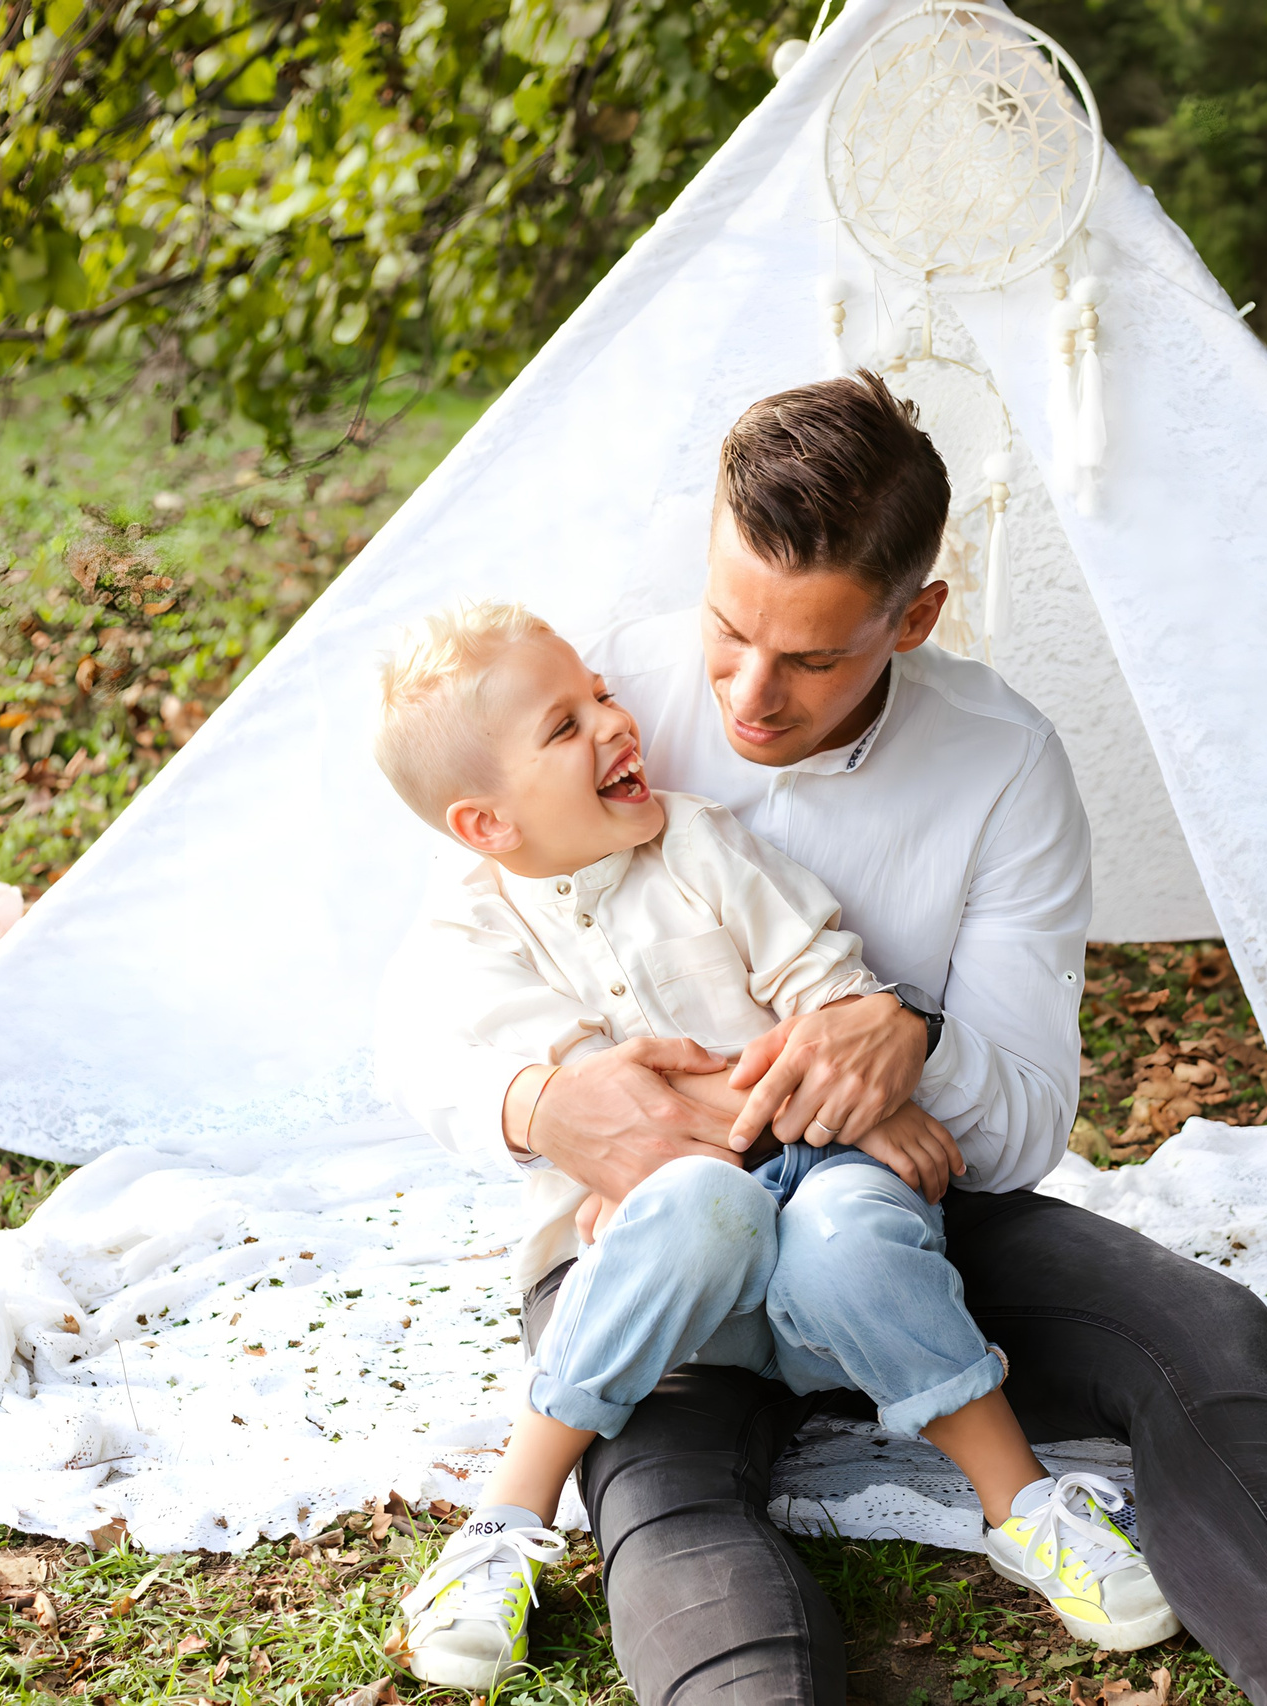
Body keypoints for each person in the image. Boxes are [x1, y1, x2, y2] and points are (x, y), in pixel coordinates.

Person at [407, 371, 1267, 1706]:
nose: (750, 694)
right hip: (655, 1236)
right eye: (730, 628)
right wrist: (539, 1100)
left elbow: (1015, 1125)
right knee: (664, 1495)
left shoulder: (1003, 767)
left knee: (1205, 1332)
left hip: (889, 1217)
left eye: (816, 655)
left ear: (917, 618)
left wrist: (906, 1036)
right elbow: (426, 990)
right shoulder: (600, 698)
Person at [375, 604, 1180, 1690]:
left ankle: (1023, 1504)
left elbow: (822, 982)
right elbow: (605, 1109)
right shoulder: (469, 939)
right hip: (681, 1289)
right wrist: (691, 1130)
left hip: (821, 1211)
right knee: (690, 1200)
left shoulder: (699, 840)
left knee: (852, 1226)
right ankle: (504, 1523)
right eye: (564, 727)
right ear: (485, 824)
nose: (616, 724)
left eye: (601, 694)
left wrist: (856, 1094)